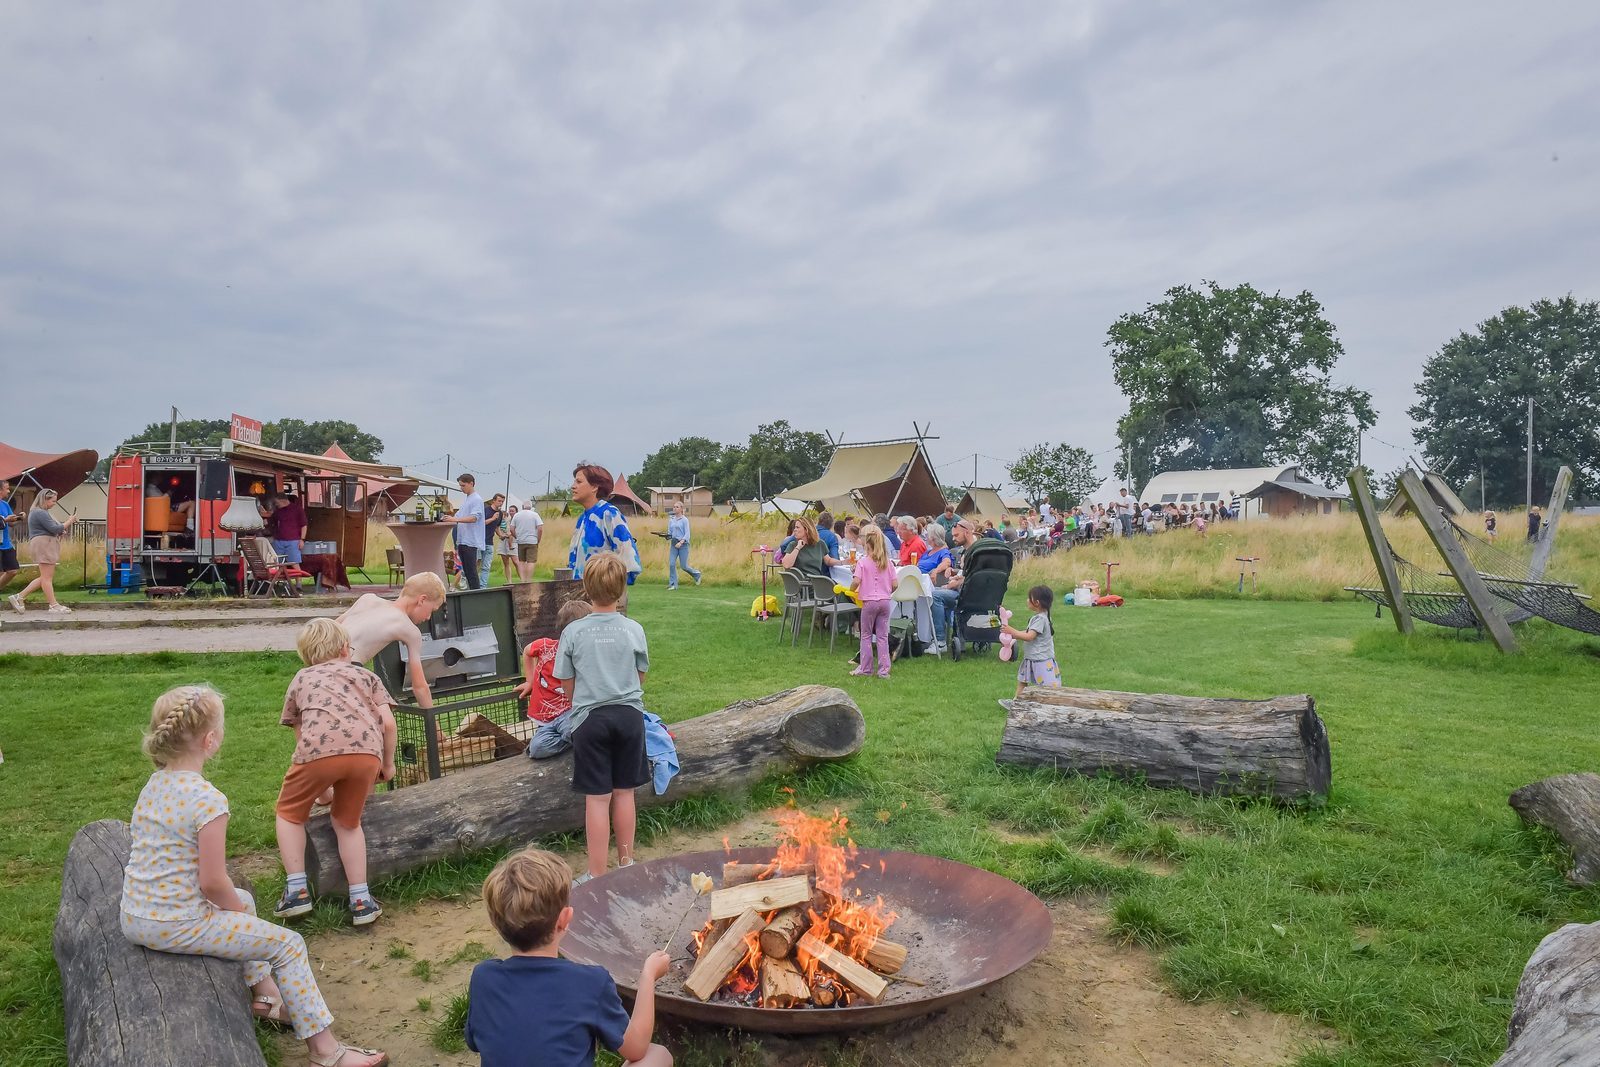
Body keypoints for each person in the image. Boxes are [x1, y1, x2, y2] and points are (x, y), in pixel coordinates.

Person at [119, 685, 388, 1067]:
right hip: (176, 922)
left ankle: (267, 997)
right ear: (211, 740)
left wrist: (237, 908)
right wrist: (239, 917)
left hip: (136, 915)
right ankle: (327, 1052)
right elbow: (212, 882)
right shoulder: (207, 800)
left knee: (243, 900)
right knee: (288, 944)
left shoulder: (154, 785)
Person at [466, 848, 671, 1067]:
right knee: (658, 1056)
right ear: (565, 919)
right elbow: (637, 1048)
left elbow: (475, 1042)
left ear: (496, 924)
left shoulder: (483, 978)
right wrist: (648, 976)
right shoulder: (589, 983)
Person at [273, 619, 397, 926]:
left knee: (289, 813)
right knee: (347, 823)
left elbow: (302, 733)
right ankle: (361, 899)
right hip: (367, 753)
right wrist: (388, 763)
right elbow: (389, 724)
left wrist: (321, 789)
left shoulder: (301, 679)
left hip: (317, 753)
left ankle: (297, 891)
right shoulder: (366, 676)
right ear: (345, 648)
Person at [553, 553, 650, 884]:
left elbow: (566, 682)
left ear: (585, 588)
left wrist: (581, 700)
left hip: (590, 719)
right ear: (622, 588)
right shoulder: (634, 629)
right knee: (625, 793)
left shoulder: (574, 632)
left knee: (597, 799)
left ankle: (597, 874)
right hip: (629, 717)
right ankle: (627, 864)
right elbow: (640, 675)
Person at [336, 573, 447, 709]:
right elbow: (419, 687)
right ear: (422, 600)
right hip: (349, 668)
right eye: (432, 610)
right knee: (385, 721)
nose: (429, 617)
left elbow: (332, 627)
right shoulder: (410, 630)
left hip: (320, 658)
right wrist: (435, 727)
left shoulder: (368, 599)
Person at [518, 600, 594, 726]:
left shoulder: (587, 655)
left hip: (569, 715)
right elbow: (527, 651)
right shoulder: (546, 646)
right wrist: (530, 681)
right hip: (545, 717)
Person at [568, 464, 642, 585]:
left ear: (594, 487)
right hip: (579, 595)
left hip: (602, 597)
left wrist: (608, 590)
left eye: (579, 481)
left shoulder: (609, 514)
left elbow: (629, 563)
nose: (573, 486)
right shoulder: (582, 519)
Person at [9, 488, 77, 614]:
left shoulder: (39, 512)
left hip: (44, 543)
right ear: (44, 499)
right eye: (52, 501)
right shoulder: (40, 512)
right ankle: (53, 605)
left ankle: (19, 597)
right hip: (44, 544)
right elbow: (54, 528)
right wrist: (69, 521)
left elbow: (52, 529)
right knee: (47, 578)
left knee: (45, 577)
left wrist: (61, 529)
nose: (54, 503)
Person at [849, 524, 895, 679]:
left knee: (866, 635)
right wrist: (888, 591)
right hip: (884, 601)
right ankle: (884, 670)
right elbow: (895, 584)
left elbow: (856, 581)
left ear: (867, 545)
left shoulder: (863, 562)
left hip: (869, 602)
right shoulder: (888, 563)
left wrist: (851, 589)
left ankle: (866, 667)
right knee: (882, 636)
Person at [1001, 585, 1061, 699]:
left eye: (1029, 598)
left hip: (1040, 660)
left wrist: (1011, 631)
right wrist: (1014, 633)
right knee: (1022, 681)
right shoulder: (1042, 617)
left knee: (1046, 686)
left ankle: (1049, 702)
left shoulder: (1040, 619)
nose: (1027, 600)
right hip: (1031, 658)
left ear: (1036, 602)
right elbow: (1029, 632)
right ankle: (1017, 702)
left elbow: (1029, 636)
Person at [441, 474, 487, 589]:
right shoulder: (468, 499)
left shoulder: (476, 499)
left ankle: (476, 595)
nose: (461, 488)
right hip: (463, 540)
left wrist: (455, 519)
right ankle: (472, 593)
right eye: (460, 485)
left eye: (463, 485)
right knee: (466, 571)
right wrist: (448, 518)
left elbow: (474, 518)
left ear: (471, 483)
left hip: (470, 541)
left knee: (471, 572)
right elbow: (458, 515)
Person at [260, 489, 308, 565]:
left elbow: (304, 525)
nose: (276, 504)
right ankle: (279, 576)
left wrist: (302, 539)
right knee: (276, 563)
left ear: (283, 500)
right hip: (279, 541)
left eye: (277, 502)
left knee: (294, 563)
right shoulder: (278, 511)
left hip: (293, 541)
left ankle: (299, 576)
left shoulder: (297, 509)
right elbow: (270, 521)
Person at [665, 503, 702, 589]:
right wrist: (666, 536)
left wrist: (681, 542)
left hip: (683, 545)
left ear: (681, 509)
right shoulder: (671, 520)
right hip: (674, 544)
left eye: (677, 507)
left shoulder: (685, 520)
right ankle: (673, 584)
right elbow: (670, 532)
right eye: (674, 507)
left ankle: (696, 574)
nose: (675, 508)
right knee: (671, 564)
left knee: (684, 566)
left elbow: (687, 534)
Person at [510, 500, 545, 581]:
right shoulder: (535, 515)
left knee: (521, 561)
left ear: (522, 506)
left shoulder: (517, 515)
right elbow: (540, 529)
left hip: (521, 540)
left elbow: (511, 529)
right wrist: (538, 539)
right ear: (531, 507)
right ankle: (528, 580)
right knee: (531, 561)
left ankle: (522, 580)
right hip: (532, 540)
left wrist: (517, 537)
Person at [0, 479, 22, 596]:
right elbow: (4, 520)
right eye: (7, 488)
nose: (9, 491)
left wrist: (19, 518)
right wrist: (5, 519)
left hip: (6, 543)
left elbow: (11, 522)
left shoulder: (5, 504)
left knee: (12, 571)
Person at [481, 493, 506, 587]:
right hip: (479, 541)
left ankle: (482, 586)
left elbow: (497, 527)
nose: (501, 503)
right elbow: (479, 524)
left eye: (502, 502)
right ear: (493, 501)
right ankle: (471, 584)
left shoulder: (500, 514)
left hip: (489, 542)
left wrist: (501, 535)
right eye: (499, 501)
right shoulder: (485, 510)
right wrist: (492, 519)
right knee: (476, 564)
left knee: (486, 566)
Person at [497, 503, 519, 583]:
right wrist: (502, 534)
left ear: (516, 512)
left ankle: (523, 580)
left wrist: (508, 534)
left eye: (513, 511)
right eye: (510, 511)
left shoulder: (518, 520)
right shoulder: (507, 519)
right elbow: (500, 528)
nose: (511, 512)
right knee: (506, 562)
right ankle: (509, 581)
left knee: (516, 562)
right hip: (504, 540)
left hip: (513, 541)